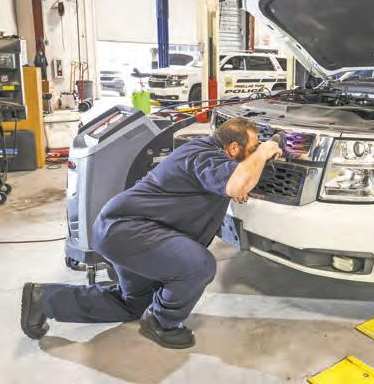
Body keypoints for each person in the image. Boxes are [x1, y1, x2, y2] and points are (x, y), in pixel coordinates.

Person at [20, 117, 282, 349]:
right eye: (252, 148)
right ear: (233, 148)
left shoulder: (205, 151)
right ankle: (160, 322)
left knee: (133, 303)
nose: (255, 152)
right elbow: (235, 184)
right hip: (128, 231)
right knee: (198, 266)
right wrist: (264, 151)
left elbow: (231, 183)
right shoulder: (205, 157)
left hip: (123, 230)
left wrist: (245, 178)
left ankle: (44, 298)